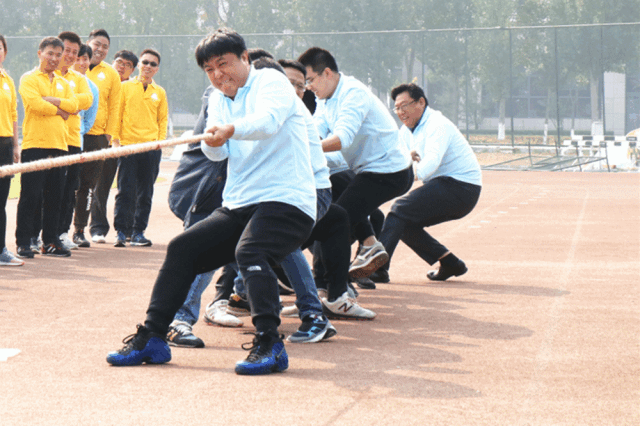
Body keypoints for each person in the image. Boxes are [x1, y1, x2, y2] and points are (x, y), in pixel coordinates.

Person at [107, 29, 317, 375]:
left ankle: (270, 344)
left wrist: (230, 130)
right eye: (209, 70)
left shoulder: (271, 82)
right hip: (240, 203)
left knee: (251, 252)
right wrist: (214, 141)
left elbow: (268, 123)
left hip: (287, 200)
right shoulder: (218, 98)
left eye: (224, 64)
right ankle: (153, 338)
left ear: (245, 58)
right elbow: (216, 154)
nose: (218, 75)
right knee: (183, 249)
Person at [297, 47, 413, 280]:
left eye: (309, 80)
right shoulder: (324, 98)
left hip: (389, 172)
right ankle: (368, 246)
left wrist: (304, 150)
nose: (308, 87)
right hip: (367, 171)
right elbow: (317, 130)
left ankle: (326, 286)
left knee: (333, 222)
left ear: (327, 73)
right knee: (335, 208)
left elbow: (342, 138)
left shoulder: (353, 93)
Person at [366, 83, 482, 283]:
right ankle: (450, 262)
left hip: (461, 187)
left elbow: (431, 162)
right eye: (397, 108)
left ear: (421, 102)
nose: (401, 112)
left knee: (399, 210)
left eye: (405, 105)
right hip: (445, 186)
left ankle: (377, 268)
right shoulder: (406, 131)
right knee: (402, 222)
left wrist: (406, 175)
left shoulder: (438, 124)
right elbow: (394, 158)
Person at [15, 37, 78, 258]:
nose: (54, 58)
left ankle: (50, 242)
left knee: (55, 197)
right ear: (40, 53)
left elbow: (74, 105)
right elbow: (35, 104)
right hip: (35, 145)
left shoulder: (64, 83)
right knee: (31, 196)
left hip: (60, 145)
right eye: (50, 53)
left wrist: (52, 100)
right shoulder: (28, 78)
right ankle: (23, 242)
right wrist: (60, 109)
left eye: (58, 55)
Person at [112, 48, 168, 247]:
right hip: (128, 147)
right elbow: (117, 115)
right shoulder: (125, 87)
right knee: (125, 191)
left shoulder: (159, 92)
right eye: (145, 62)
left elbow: (162, 120)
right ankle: (121, 232)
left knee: (145, 193)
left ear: (157, 69)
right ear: (138, 65)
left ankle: (138, 232)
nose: (148, 66)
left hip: (151, 149)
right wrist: (116, 142)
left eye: (153, 64)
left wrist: (159, 143)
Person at [72, 29, 120, 248]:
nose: (100, 49)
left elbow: (115, 106)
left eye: (105, 46)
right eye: (97, 44)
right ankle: (58, 230)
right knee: (66, 184)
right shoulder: (72, 68)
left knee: (88, 187)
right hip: (71, 136)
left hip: (97, 138)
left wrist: (108, 135)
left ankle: (79, 230)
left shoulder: (111, 74)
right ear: (88, 43)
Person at [90, 50, 138, 244]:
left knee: (129, 189)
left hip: (129, 145)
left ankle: (128, 228)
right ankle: (98, 228)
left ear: (132, 70)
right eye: (119, 62)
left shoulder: (134, 88)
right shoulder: (105, 83)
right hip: (108, 142)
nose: (122, 66)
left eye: (127, 65)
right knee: (100, 186)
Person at [55, 32, 94, 251]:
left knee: (69, 190)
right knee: (49, 190)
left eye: (74, 52)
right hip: (52, 140)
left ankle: (62, 232)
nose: (70, 55)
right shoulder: (47, 75)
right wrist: (70, 104)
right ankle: (41, 234)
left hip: (73, 140)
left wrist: (62, 103)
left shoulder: (79, 79)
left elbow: (87, 100)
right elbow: (40, 101)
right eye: (66, 50)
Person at [0, 34, 23, 266]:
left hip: (5, 144)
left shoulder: (7, 79)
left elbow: (14, 114)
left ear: (5, 52)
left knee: (1, 200)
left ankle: (1, 250)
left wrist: (16, 145)